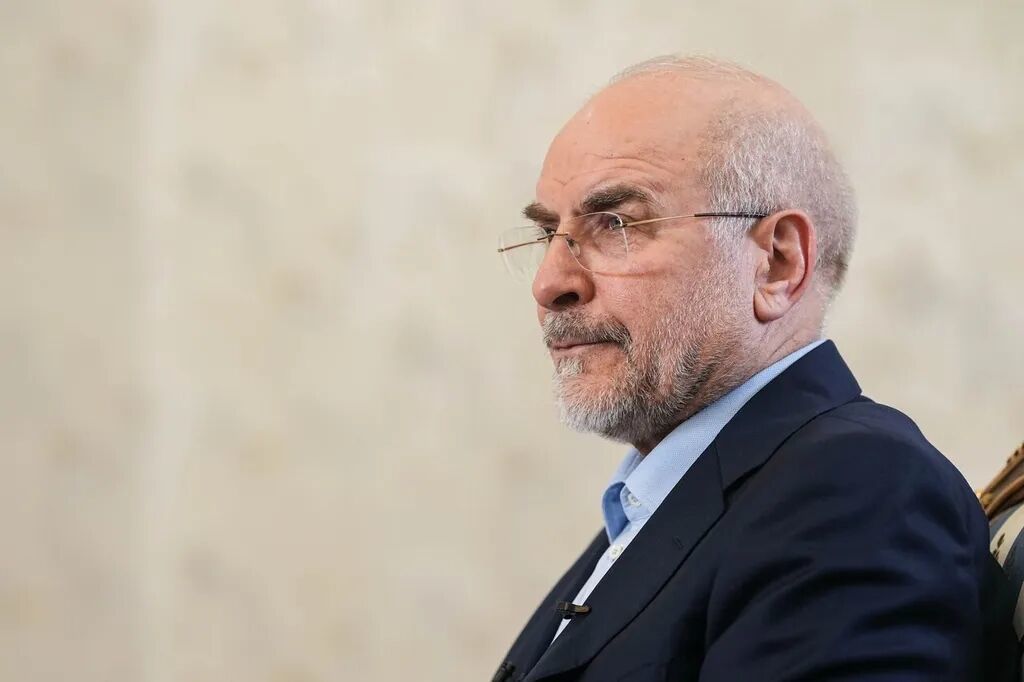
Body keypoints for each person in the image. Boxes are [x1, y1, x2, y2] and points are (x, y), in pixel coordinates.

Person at [492, 56, 1017, 682]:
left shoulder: (854, 490)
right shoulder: (660, 502)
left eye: (617, 224)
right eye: (548, 233)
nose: (550, 283)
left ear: (776, 264)